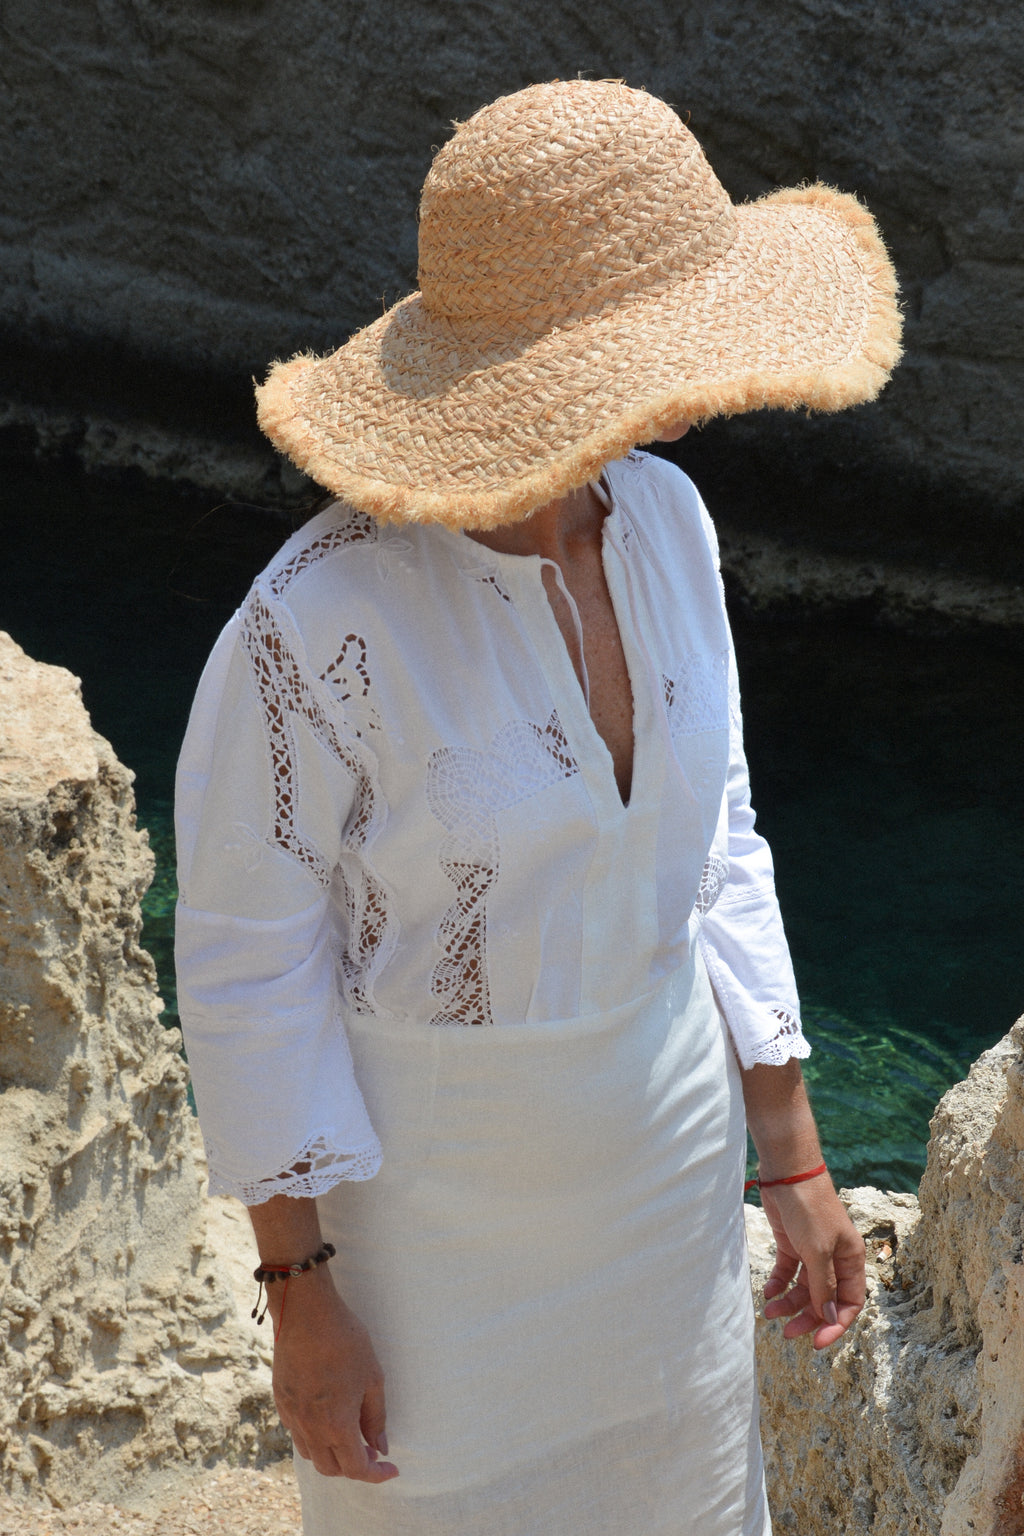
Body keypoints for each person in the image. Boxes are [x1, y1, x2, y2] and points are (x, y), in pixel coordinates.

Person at [175, 79, 902, 1536]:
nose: (703, 387)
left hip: (669, 1171)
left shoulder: (671, 522)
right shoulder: (314, 623)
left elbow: (719, 836)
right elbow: (249, 966)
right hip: (430, 1232)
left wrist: (791, 1143)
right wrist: (298, 1293)